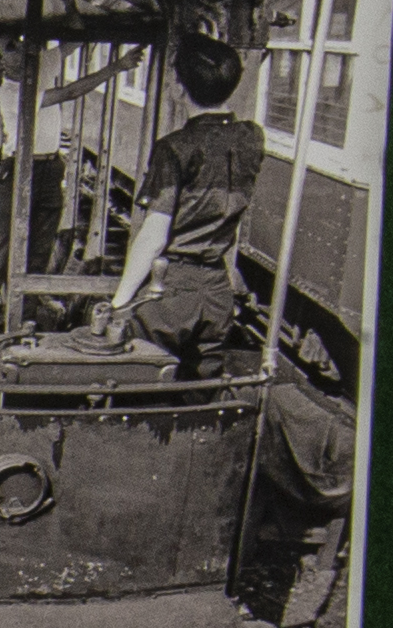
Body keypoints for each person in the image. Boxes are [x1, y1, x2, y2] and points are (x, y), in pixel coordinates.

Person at [101, 23, 272, 370]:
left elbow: (153, 235)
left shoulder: (175, 148)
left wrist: (120, 301)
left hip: (173, 288)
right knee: (202, 385)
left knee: (135, 373)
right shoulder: (252, 137)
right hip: (217, 291)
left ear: (178, 88)